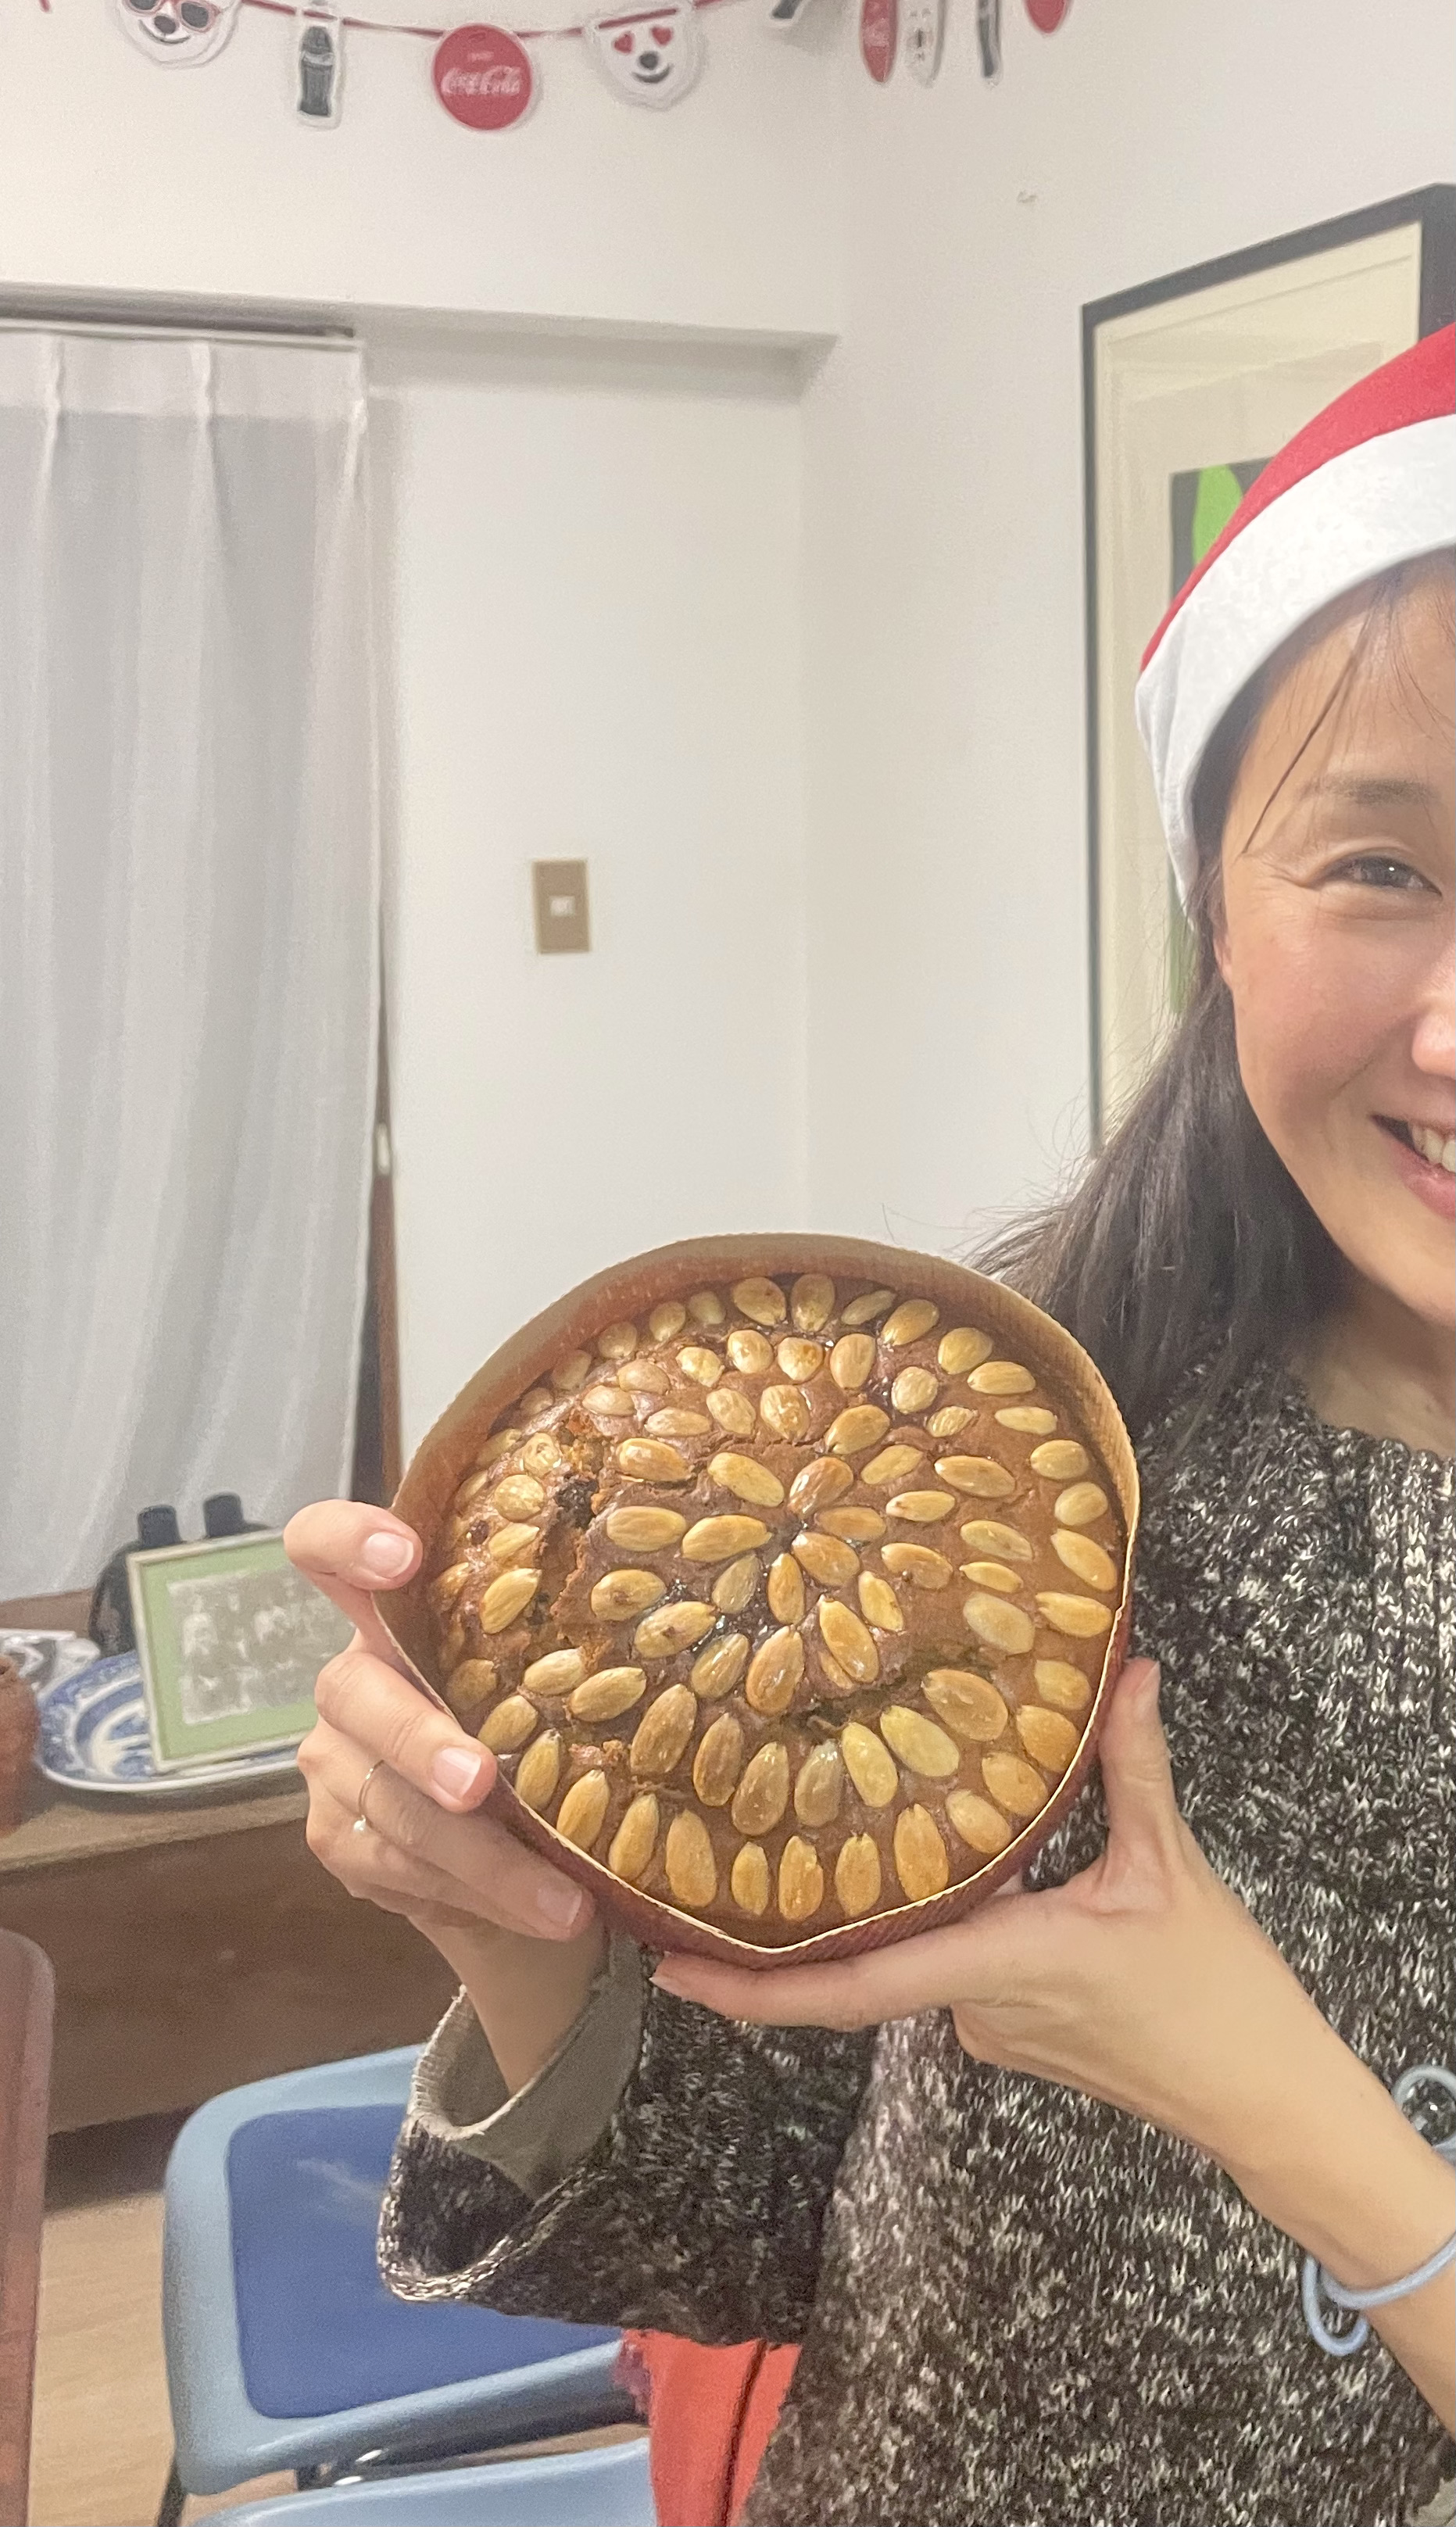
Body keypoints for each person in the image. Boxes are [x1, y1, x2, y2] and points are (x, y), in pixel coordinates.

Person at [285, 329, 1455, 2527]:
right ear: (1215, 905)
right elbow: (767, 2219)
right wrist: (522, 1919)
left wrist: (1277, 2100)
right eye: (1379, 866)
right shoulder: (1025, 1457)